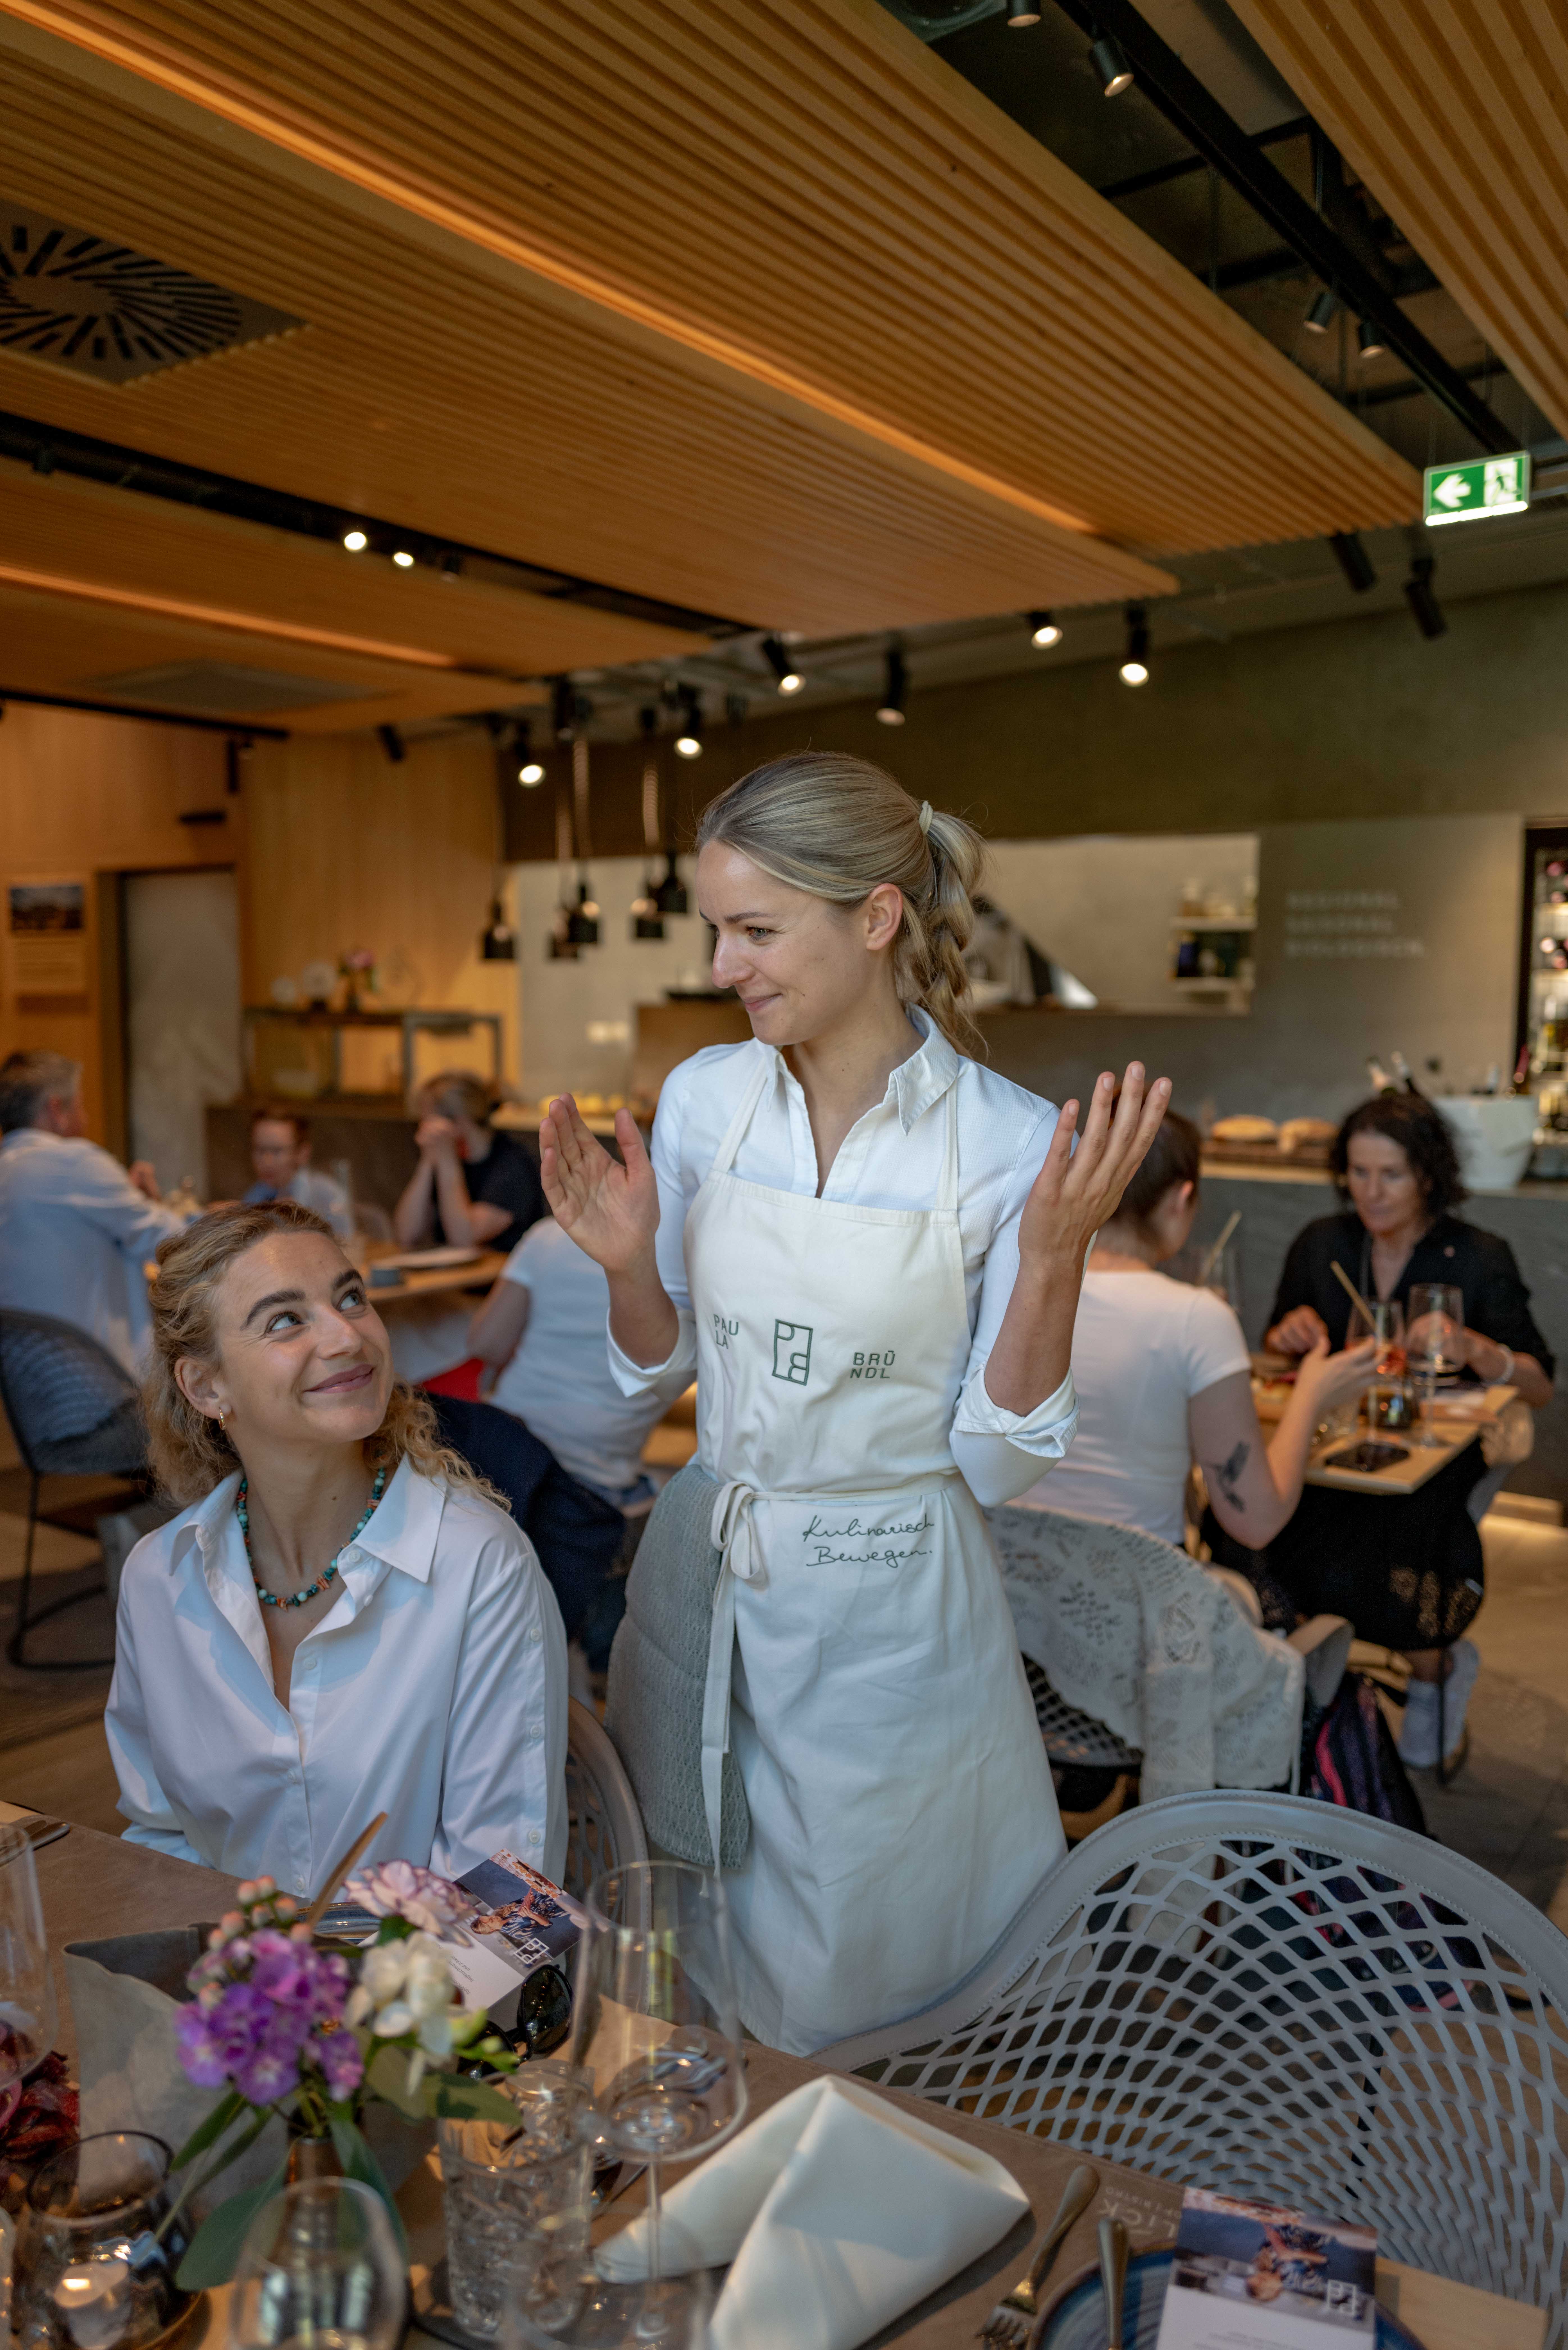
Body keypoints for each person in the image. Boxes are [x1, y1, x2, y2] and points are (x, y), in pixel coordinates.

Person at [540, 751, 1170, 2054]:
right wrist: (621, 1263)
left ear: (873, 916)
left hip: (891, 1618)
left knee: (857, 1981)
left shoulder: (999, 1142)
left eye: (755, 930)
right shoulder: (710, 1100)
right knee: (700, 1940)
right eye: (718, 927)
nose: (723, 965)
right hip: (711, 1578)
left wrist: (1052, 1257)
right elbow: (653, 1370)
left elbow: (996, 1463)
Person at [106, 1199, 568, 1887]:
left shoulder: (478, 1564)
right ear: (207, 1386)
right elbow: (158, 1837)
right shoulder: (158, 1579)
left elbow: (508, 1895)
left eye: (351, 1298)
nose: (348, 1338)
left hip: (432, 1992)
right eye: (285, 1319)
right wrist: (240, 1983)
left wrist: (328, 1990)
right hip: (228, 1987)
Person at [1241, 1091, 1555, 1768]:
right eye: (1358, 1173)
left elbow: (1538, 1383)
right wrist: (1284, 1332)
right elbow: (1278, 1343)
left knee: (1384, 1527)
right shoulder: (1323, 1245)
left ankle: (1430, 1663)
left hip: (1432, 1459)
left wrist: (1473, 1347)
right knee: (1266, 1517)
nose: (1370, 1193)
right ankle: (1311, 1670)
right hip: (1334, 1443)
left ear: (1427, 1176)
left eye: (1390, 1175)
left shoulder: (1476, 1256)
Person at [1016, 1105, 1373, 1547]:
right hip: (1139, 1594)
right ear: (1181, 1200)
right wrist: (1312, 1395)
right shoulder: (1195, 1317)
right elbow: (1256, 1521)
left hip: (1012, 1586)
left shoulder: (1017, 1290)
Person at [0, 1048, 190, 1376]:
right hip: (109, 1385)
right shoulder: (70, 1162)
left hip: (40, 1387)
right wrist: (161, 1208)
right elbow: (171, 1242)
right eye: (80, 1106)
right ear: (57, 1109)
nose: (85, 1118)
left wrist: (129, 1200)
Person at [469, 1219, 666, 1509]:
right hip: (603, 1476)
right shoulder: (702, 1253)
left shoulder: (552, 1234)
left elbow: (486, 1344)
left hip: (509, 1450)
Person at [393, 1071, 546, 1255]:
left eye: (429, 1122)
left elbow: (464, 1239)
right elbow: (406, 1235)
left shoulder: (512, 1164)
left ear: (460, 1122)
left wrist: (448, 1163)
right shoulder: (446, 1156)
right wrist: (427, 1162)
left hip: (496, 1280)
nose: (423, 1130)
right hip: (454, 1278)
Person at [243, 1105, 354, 1241]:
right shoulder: (257, 1193)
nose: (267, 1161)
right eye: (259, 1149)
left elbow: (346, 1247)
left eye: (277, 1151)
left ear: (303, 1154)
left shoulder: (327, 1195)